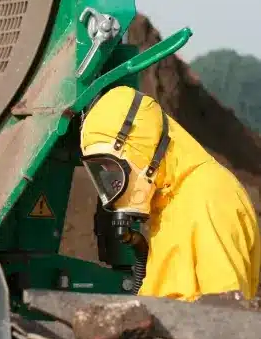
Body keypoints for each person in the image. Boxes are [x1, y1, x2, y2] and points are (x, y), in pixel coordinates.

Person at [80, 85, 260, 300]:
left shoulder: (210, 195)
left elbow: (224, 316)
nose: (111, 185)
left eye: (113, 169)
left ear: (143, 150)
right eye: (101, 173)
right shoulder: (169, 200)